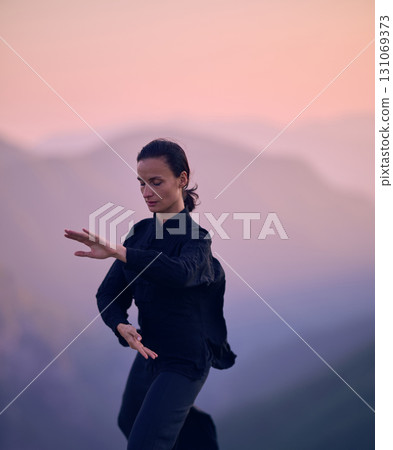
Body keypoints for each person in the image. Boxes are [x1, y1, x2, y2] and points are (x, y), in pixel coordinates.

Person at [64, 138, 236, 450]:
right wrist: (120, 324)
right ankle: (197, 435)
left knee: (144, 444)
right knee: (128, 421)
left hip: (186, 360)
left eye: (156, 182)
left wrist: (120, 251)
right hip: (150, 354)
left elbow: (179, 273)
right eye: (141, 183)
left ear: (181, 180)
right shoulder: (139, 234)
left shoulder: (197, 240)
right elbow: (108, 294)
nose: (146, 192)